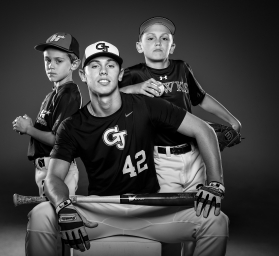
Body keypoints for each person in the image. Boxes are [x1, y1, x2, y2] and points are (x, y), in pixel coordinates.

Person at [25, 41, 229, 256]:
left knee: (215, 220)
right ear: (83, 75)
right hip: (101, 211)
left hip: (150, 211)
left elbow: (203, 130)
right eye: (95, 66)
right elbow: (54, 177)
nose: (103, 71)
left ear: (120, 74)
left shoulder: (146, 105)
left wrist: (215, 183)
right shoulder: (73, 125)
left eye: (110, 65)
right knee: (41, 214)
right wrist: (63, 206)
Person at [118, 17, 241, 255]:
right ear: (139, 46)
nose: (158, 42)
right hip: (159, 159)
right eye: (150, 38)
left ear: (171, 47)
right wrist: (133, 89)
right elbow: (106, 97)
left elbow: (201, 97)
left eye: (165, 39)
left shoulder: (182, 68)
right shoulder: (133, 74)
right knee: (169, 222)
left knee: (199, 215)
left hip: (195, 154)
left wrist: (232, 120)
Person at [12, 32, 82, 197]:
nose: (51, 65)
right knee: (52, 218)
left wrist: (29, 129)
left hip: (58, 168)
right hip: (45, 167)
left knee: (60, 216)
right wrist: (32, 125)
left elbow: (58, 139)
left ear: (74, 64)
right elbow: (48, 128)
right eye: (47, 60)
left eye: (59, 61)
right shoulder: (52, 94)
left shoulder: (69, 94)